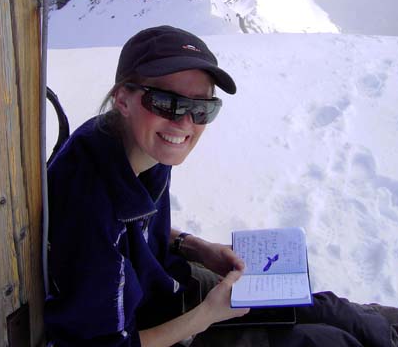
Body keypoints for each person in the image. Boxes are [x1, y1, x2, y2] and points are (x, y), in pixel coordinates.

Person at [45, 25, 398, 347]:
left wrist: (195, 247)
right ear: (123, 99)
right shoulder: (88, 208)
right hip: (156, 324)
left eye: (202, 108)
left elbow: (135, 231)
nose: (184, 122)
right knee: (325, 342)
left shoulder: (133, 143)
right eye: (166, 102)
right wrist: (207, 315)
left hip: (171, 288)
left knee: (332, 311)